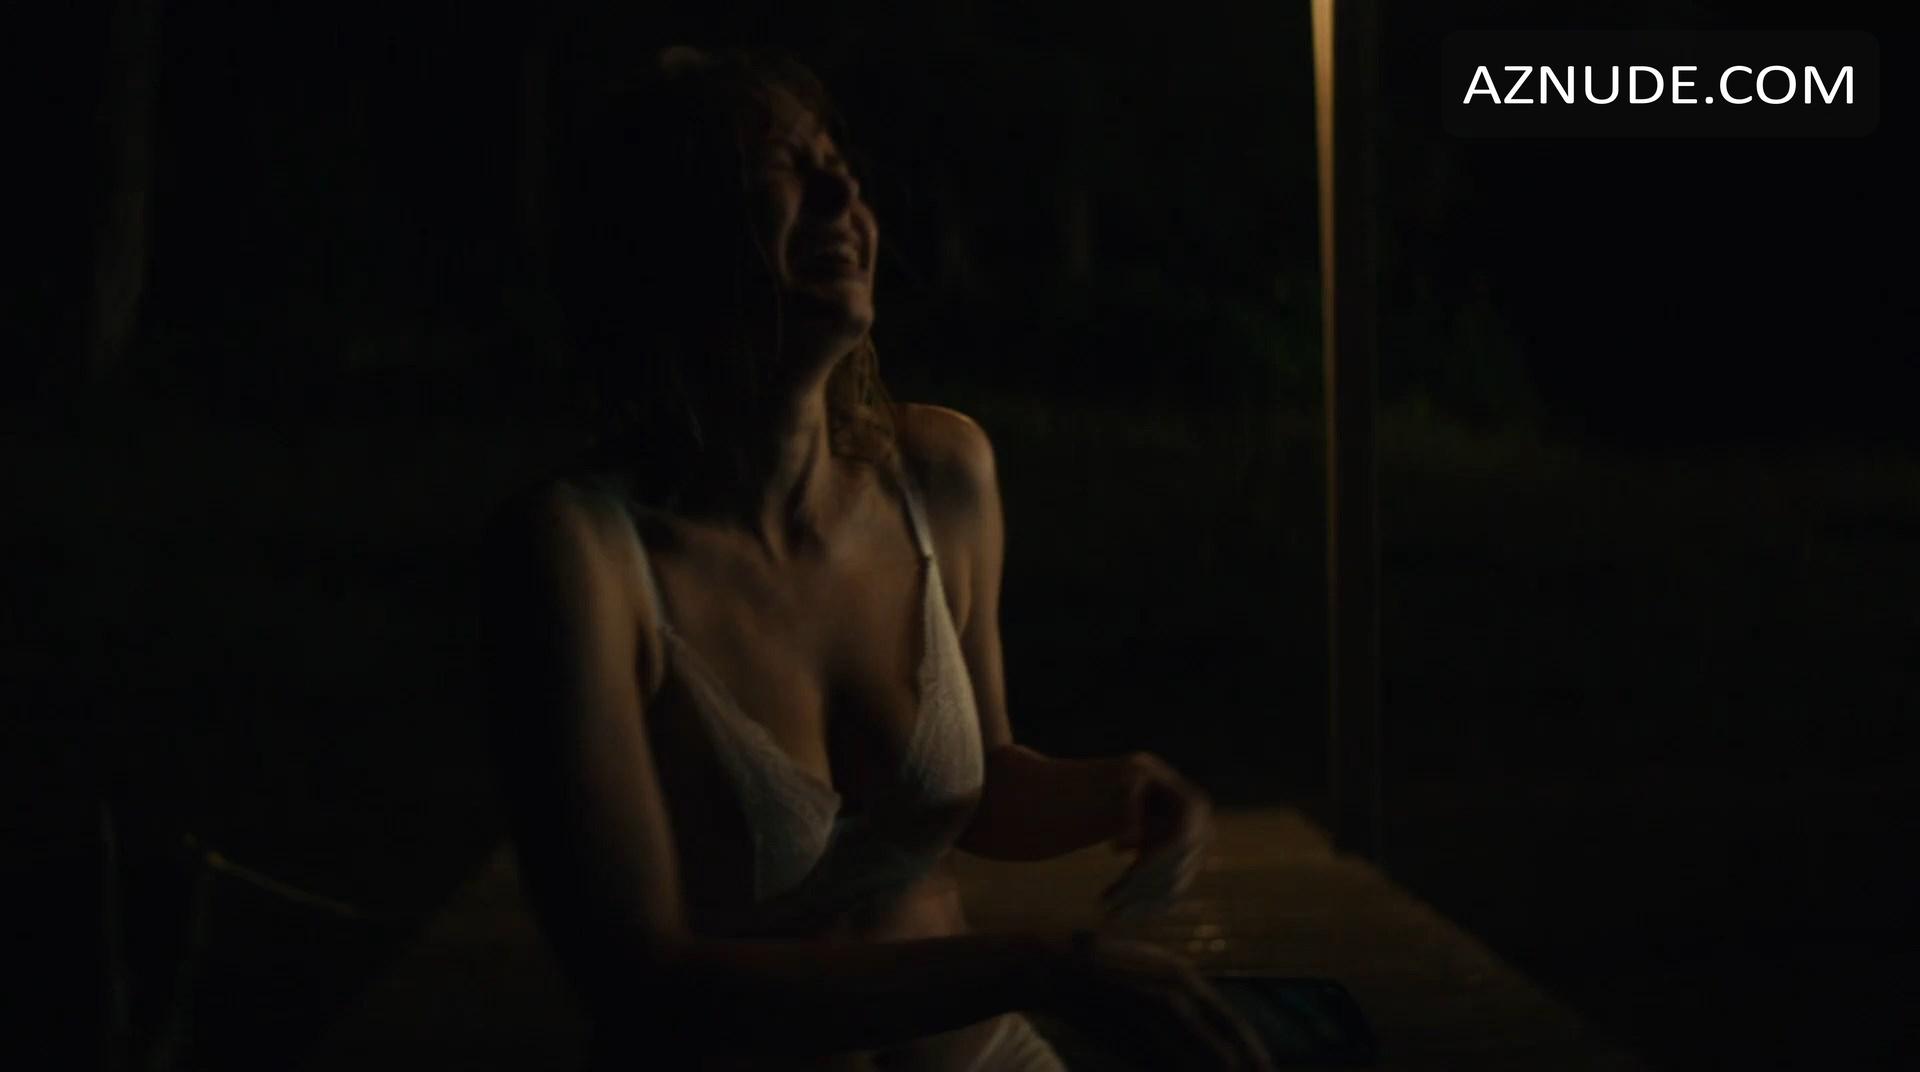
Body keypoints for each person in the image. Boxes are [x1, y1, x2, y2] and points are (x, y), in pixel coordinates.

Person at [485, 42, 1274, 1071]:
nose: (843, 194)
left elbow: (979, 785)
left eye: (839, 163)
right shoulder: (584, 559)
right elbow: (644, 983)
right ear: (668, 231)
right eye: (782, 166)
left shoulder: (940, 476)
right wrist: (1048, 964)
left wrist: (1114, 786)